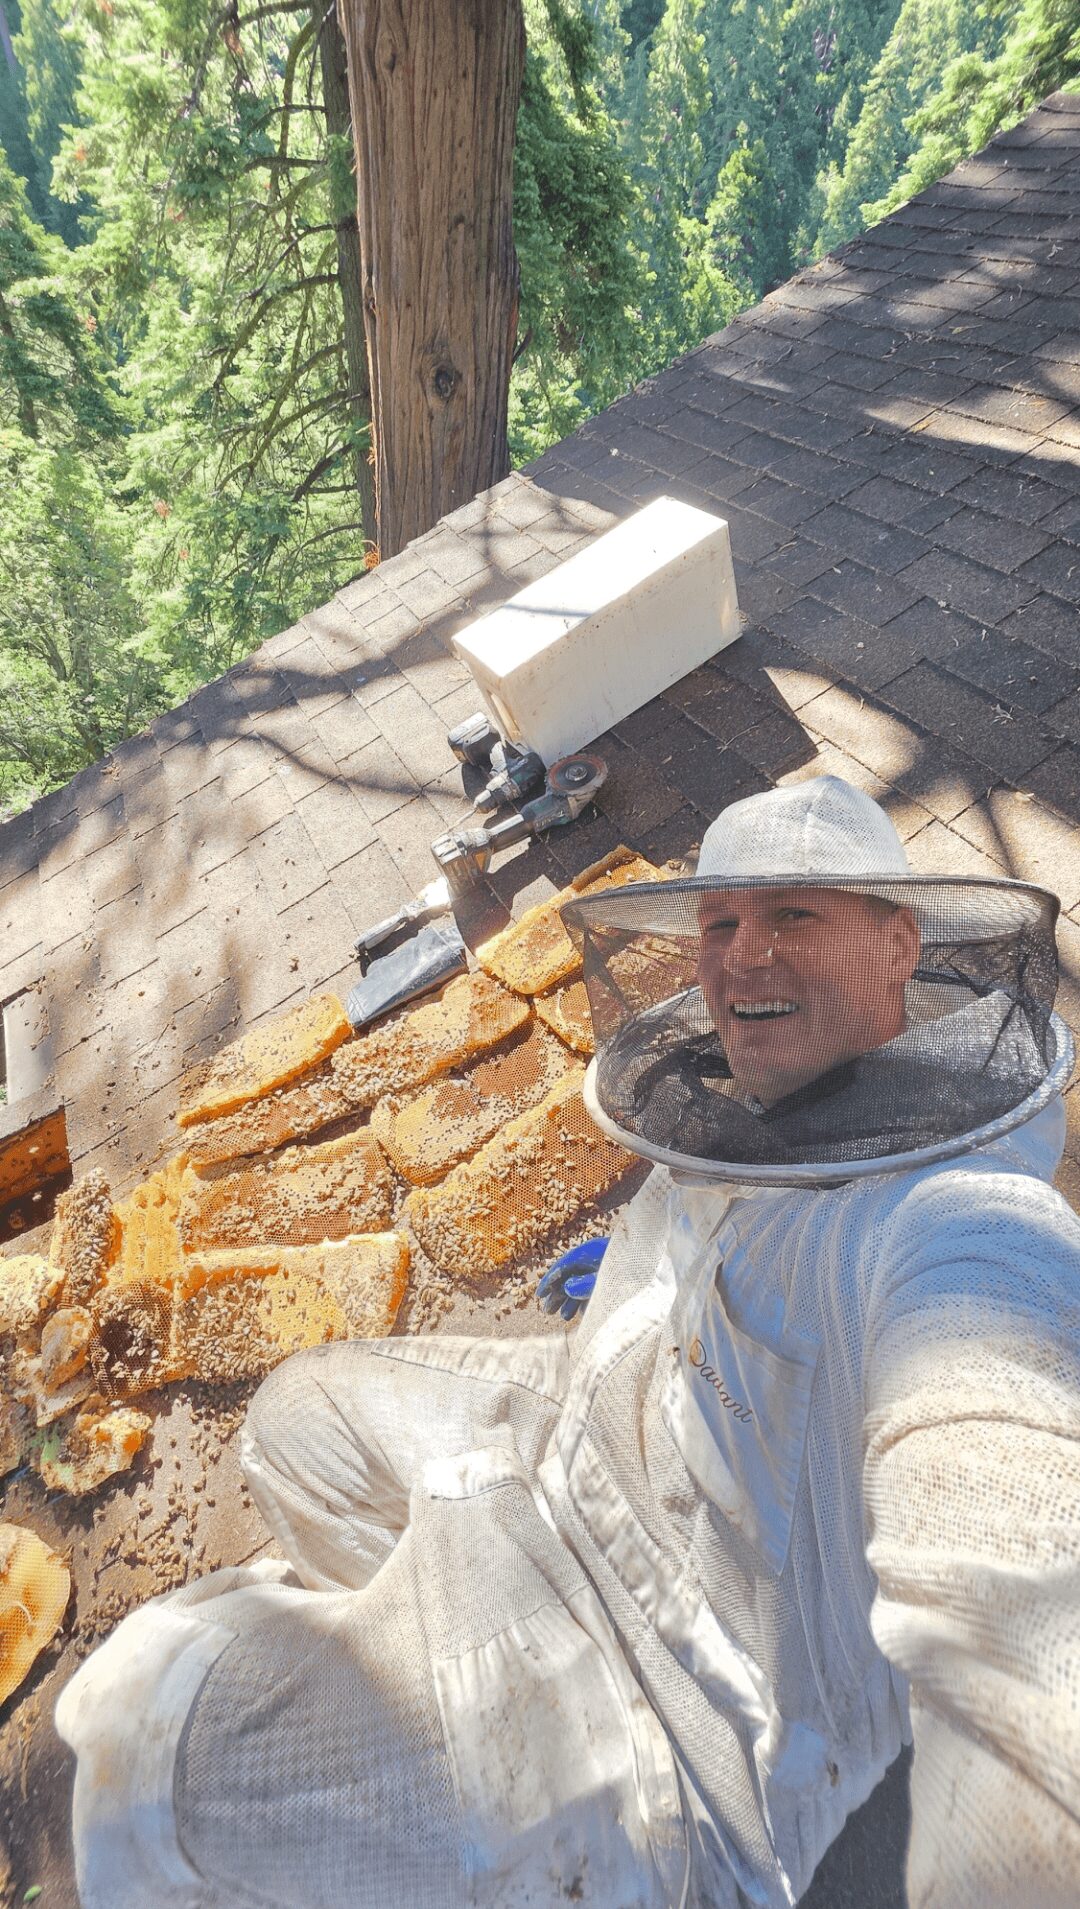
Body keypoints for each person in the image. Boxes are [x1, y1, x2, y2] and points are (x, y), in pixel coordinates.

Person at [57, 776, 1080, 1908]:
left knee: (142, 1756)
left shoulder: (950, 1226)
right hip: (588, 1426)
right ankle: (429, 1689)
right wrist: (655, 1276)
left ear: (899, 946)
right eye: (720, 923)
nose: (744, 956)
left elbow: (1015, 1519)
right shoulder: (754, 1097)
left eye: (794, 913)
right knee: (293, 1421)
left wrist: (1026, 1809)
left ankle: (496, 1780)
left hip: (674, 1695)